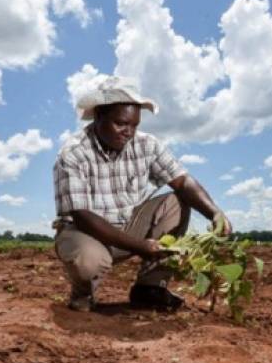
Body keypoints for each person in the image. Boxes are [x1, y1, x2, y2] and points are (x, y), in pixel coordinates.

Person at [53, 76, 231, 312]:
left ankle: (151, 288)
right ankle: (83, 294)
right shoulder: (73, 153)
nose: (128, 132)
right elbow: (83, 216)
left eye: (134, 125)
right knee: (90, 262)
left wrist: (215, 213)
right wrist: (139, 246)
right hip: (85, 232)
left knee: (178, 201)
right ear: (99, 116)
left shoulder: (146, 145)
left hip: (129, 226)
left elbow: (183, 181)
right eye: (120, 124)